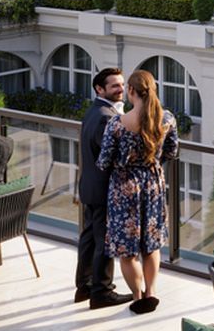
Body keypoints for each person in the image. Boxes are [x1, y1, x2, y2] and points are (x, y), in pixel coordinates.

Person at [97, 70, 179, 315]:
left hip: (124, 188)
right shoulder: (167, 119)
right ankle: (151, 293)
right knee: (151, 245)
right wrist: (150, 163)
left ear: (131, 91)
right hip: (153, 185)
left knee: (127, 249)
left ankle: (137, 296)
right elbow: (172, 152)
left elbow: (103, 162)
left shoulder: (117, 124)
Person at [75, 68, 132, 309]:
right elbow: (114, 157)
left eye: (121, 84)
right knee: (104, 241)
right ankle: (102, 292)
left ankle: (85, 286)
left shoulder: (93, 111)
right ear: (100, 89)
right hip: (103, 189)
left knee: (89, 238)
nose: (121, 89)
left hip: (89, 186)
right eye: (114, 86)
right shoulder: (106, 117)